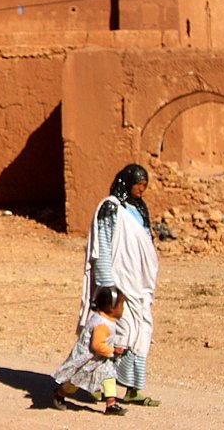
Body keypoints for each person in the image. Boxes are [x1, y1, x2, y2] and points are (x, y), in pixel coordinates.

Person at [77, 163, 160, 406]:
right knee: (114, 335)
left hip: (139, 282)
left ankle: (134, 388)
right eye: (138, 184)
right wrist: (106, 283)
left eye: (145, 186)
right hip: (118, 281)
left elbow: (144, 241)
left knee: (141, 331)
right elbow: (102, 245)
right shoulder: (111, 208)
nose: (141, 190)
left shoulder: (140, 209)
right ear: (127, 182)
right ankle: (99, 385)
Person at [52, 287, 127, 416]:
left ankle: (111, 404)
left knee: (109, 376)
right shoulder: (102, 324)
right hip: (88, 360)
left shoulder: (105, 319)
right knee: (74, 383)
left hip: (101, 360)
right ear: (111, 308)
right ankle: (60, 393)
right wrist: (112, 351)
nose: (122, 309)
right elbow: (97, 345)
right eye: (121, 305)